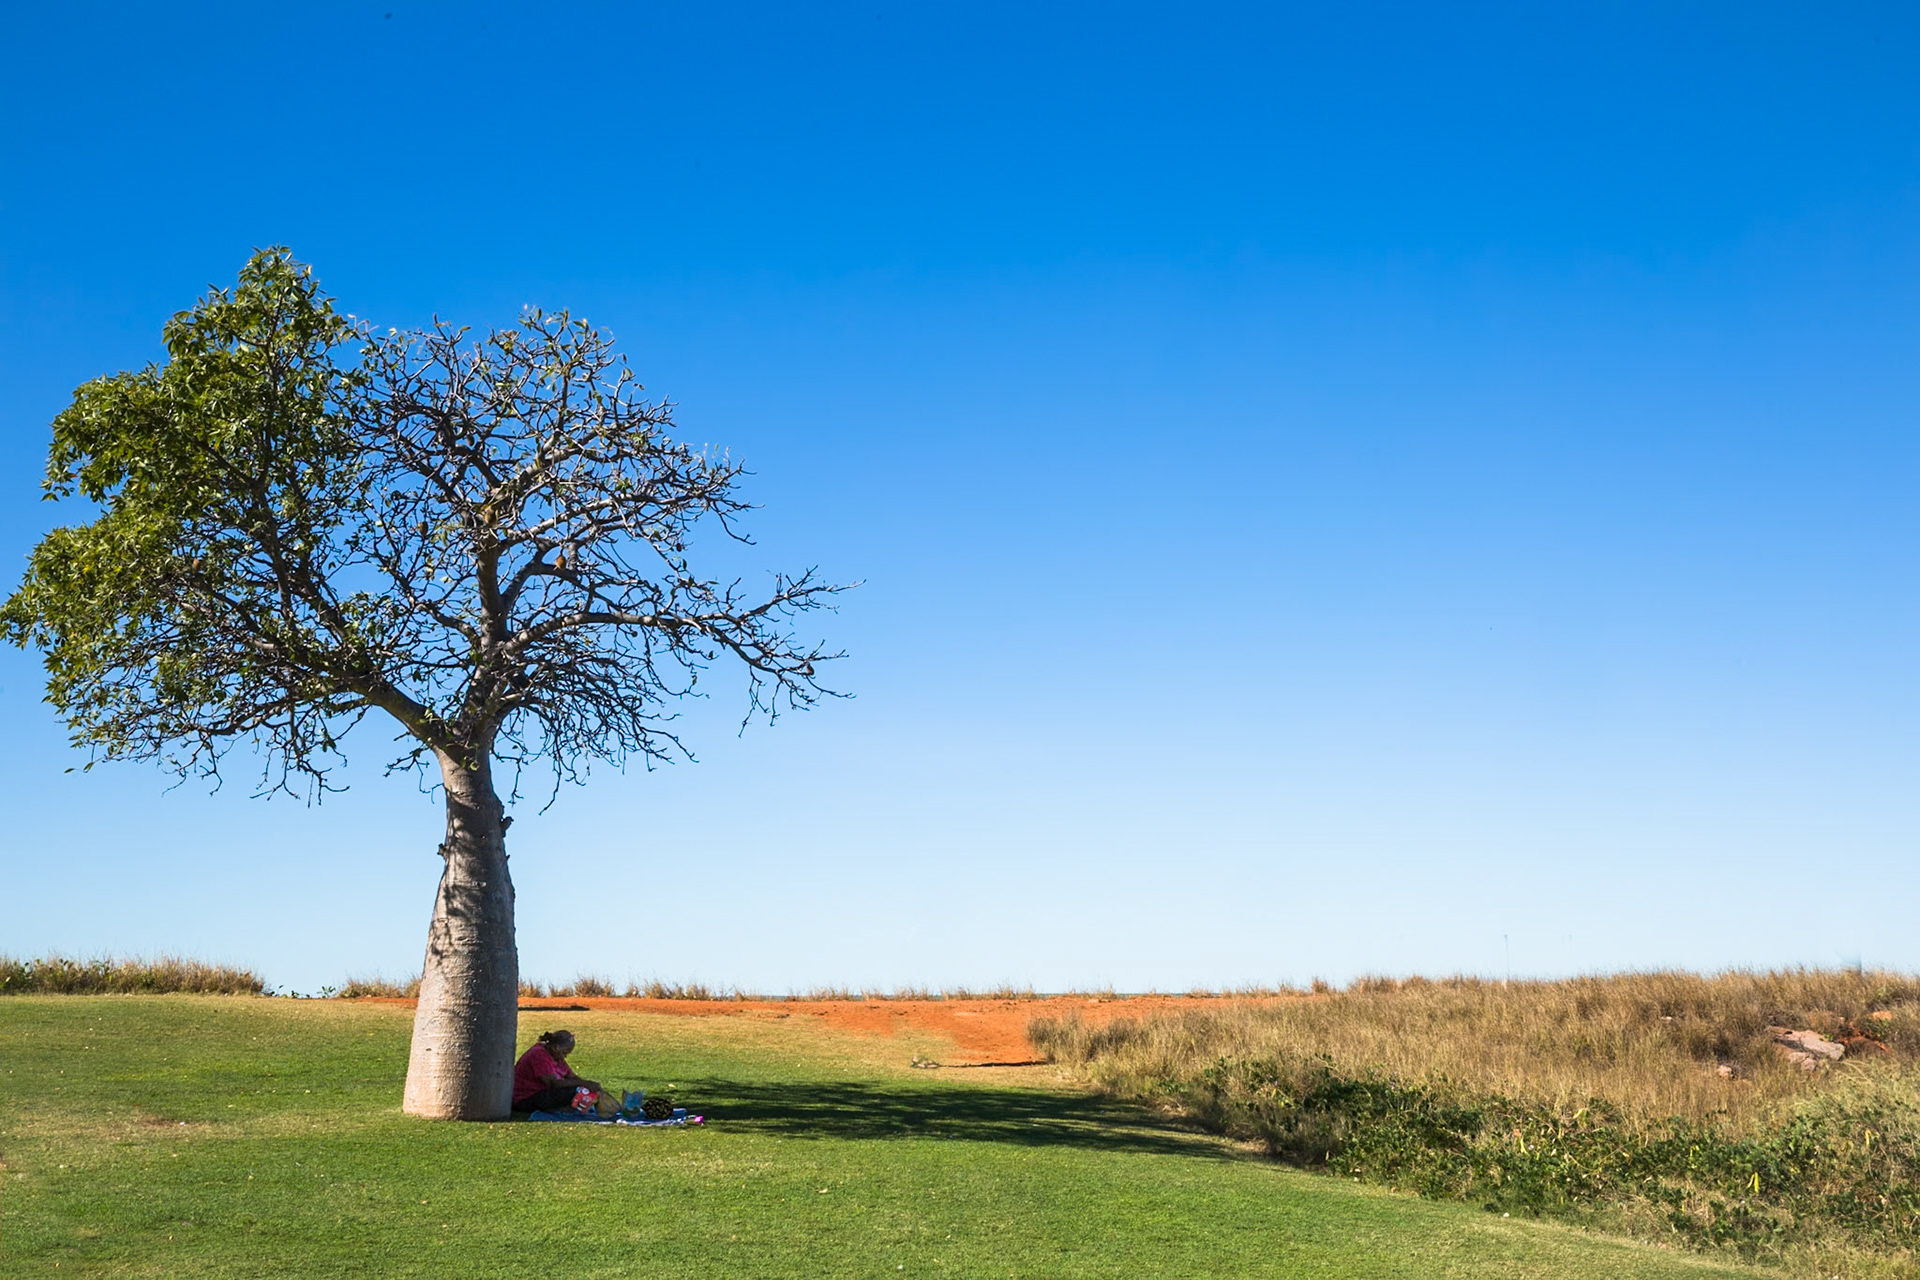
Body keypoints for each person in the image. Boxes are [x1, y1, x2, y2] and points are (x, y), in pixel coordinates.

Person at [512, 1030, 602, 1113]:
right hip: (526, 1097)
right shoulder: (539, 1055)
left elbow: (570, 1076)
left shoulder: (555, 1055)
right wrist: (583, 1084)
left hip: (541, 1093)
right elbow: (554, 1083)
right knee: (570, 1093)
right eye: (564, 1053)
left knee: (578, 1091)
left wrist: (588, 1086)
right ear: (556, 1048)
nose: (564, 1057)